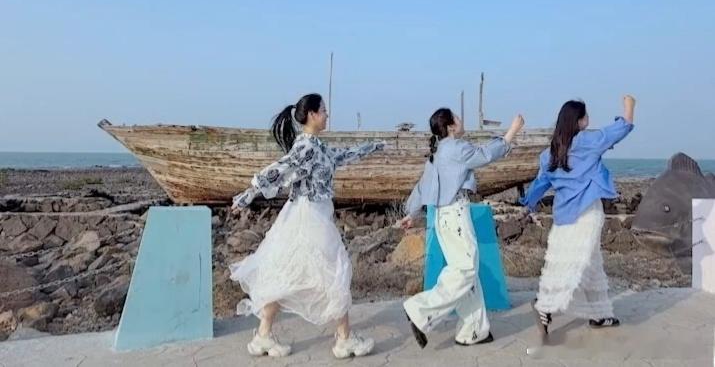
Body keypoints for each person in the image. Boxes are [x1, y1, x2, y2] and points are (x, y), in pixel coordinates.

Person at [230, 93, 384, 359]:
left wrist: (371, 147)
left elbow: (340, 156)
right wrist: (249, 193)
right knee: (333, 272)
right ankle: (344, 339)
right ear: (312, 114)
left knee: (285, 273)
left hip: (310, 215)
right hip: (309, 217)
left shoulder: (317, 147)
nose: (327, 114)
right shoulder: (306, 147)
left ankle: (263, 336)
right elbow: (281, 168)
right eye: (323, 110)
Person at [399, 107, 525, 348]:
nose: (460, 119)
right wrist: (511, 133)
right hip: (455, 216)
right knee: (465, 270)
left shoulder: (437, 152)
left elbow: (423, 186)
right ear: (450, 127)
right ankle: (420, 310)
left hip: (443, 218)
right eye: (456, 117)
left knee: (467, 272)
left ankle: (473, 330)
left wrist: (412, 212)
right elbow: (485, 155)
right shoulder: (456, 148)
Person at [520, 95, 636, 341]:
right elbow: (619, 130)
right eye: (586, 116)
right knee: (575, 263)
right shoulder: (587, 142)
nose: (588, 119)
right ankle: (545, 305)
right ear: (580, 121)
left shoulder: (549, 154)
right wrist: (629, 106)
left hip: (563, 214)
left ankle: (600, 314)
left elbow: (540, 184)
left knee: (591, 263)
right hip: (587, 212)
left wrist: (527, 204)